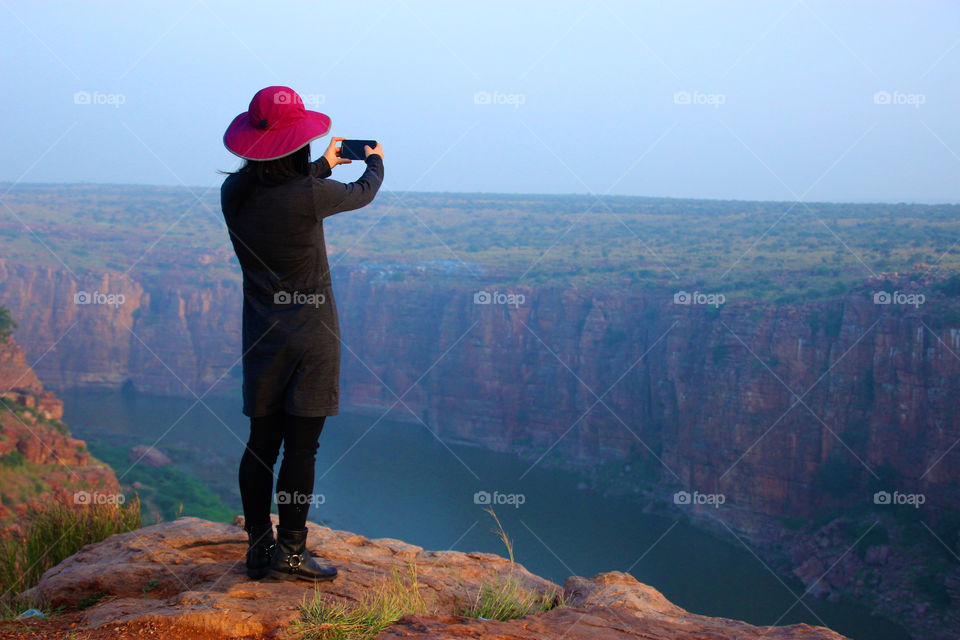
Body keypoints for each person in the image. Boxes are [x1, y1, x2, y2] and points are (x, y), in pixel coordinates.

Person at [220, 86, 384, 581]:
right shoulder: (310, 196)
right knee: (302, 448)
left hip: (262, 337)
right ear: (298, 144)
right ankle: (292, 554)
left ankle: (257, 547)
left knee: (260, 444)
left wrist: (326, 163)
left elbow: (284, 189)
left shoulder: (234, 193)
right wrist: (373, 160)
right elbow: (364, 192)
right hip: (311, 336)